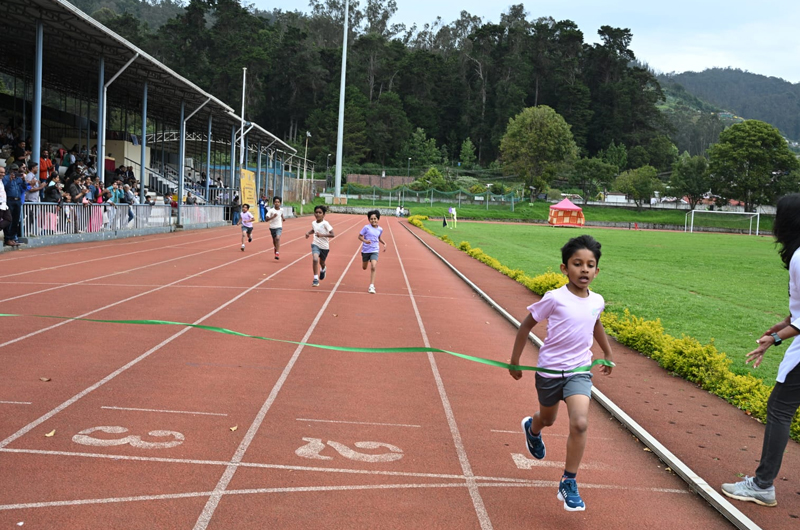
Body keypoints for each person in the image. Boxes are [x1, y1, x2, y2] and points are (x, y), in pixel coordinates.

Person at [508, 234, 614, 512]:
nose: (584, 270)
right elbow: (525, 326)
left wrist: (607, 352)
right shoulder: (554, 298)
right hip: (549, 372)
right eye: (577, 264)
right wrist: (515, 361)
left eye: (590, 265)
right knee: (548, 418)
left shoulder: (597, 300)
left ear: (597, 271)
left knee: (580, 422)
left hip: (579, 371)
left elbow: (596, 324)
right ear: (564, 268)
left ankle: (568, 480)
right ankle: (532, 429)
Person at [721, 193, 800, 508]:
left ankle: (762, 485)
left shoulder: (799, 259)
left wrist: (777, 339)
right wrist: (780, 326)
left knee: (780, 408)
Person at [358, 210, 387, 294]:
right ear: (369, 219)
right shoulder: (366, 228)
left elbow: (379, 238)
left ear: (378, 219)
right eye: (371, 219)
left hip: (375, 250)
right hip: (366, 250)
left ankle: (371, 286)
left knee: (373, 266)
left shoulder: (380, 229)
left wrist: (384, 243)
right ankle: (365, 261)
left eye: (375, 219)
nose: (373, 220)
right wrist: (365, 241)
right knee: (364, 267)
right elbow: (359, 236)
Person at [305, 205, 334, 287]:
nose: (318, 214)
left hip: (324, 247)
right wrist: (308, 233)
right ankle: (315, 279)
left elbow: (333, 234)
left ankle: (323, 269)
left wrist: (322, 235)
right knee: (315, 259)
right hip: (315, 244)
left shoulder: (326, 223)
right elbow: (314, 230)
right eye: (316, 212)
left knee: (322, 262)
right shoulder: (313, 223)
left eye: (320, 213)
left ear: (324, 214)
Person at [265, 196, 285, 260]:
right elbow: (266, 219)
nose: (277, 203)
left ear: (280, 203)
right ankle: (275, 248)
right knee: (274, 240)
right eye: (275, 202)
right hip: (272, 227)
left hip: (279, 226)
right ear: (273, 203)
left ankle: (277, 252)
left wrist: (283, 218)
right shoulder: (271, 211)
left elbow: (281, 214)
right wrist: (273, 217)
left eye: (278, 202)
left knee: (278, 238)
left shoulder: (281, 210)